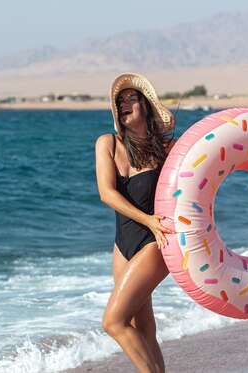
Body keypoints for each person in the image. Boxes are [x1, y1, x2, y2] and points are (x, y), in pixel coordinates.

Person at [94, 73, 176, 373]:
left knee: (112, 322)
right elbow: (107, 193)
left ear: (146, 106)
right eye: (120, 101)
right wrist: (147, 220)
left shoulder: (167, 150)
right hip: (124, 244)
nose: (124, 104)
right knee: (141, 328)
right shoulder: (108, 144)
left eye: (132, 98)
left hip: (156, 243)